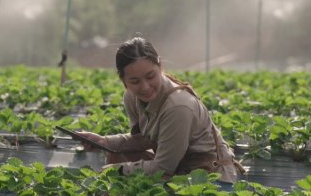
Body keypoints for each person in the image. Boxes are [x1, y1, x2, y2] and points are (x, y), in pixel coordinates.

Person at [77, 36, 243, 187]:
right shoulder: (131, 97)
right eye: (134, 81)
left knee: (120, 174)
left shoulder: (178, 107)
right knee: (117, 156)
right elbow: (144, 140)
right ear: (123, 80)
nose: (145, 87)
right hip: (176, 168)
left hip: (210, 179)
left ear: (160, 65)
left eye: (150, 76)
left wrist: (118, 170)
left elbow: (163, 169)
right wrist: (104, 142)